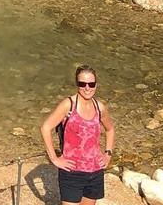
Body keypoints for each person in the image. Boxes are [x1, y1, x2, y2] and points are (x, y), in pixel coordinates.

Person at [40, 64, 116, 205]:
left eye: (91, 84)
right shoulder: (68, 105)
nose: (87, 88)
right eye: (83, 83)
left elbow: (110, 129)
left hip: (95, 170)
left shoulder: (100, 107)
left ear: (96, 85)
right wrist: (55, 159)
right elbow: (45, 127)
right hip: (72, 171)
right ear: (77, 84)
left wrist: (108, 154)